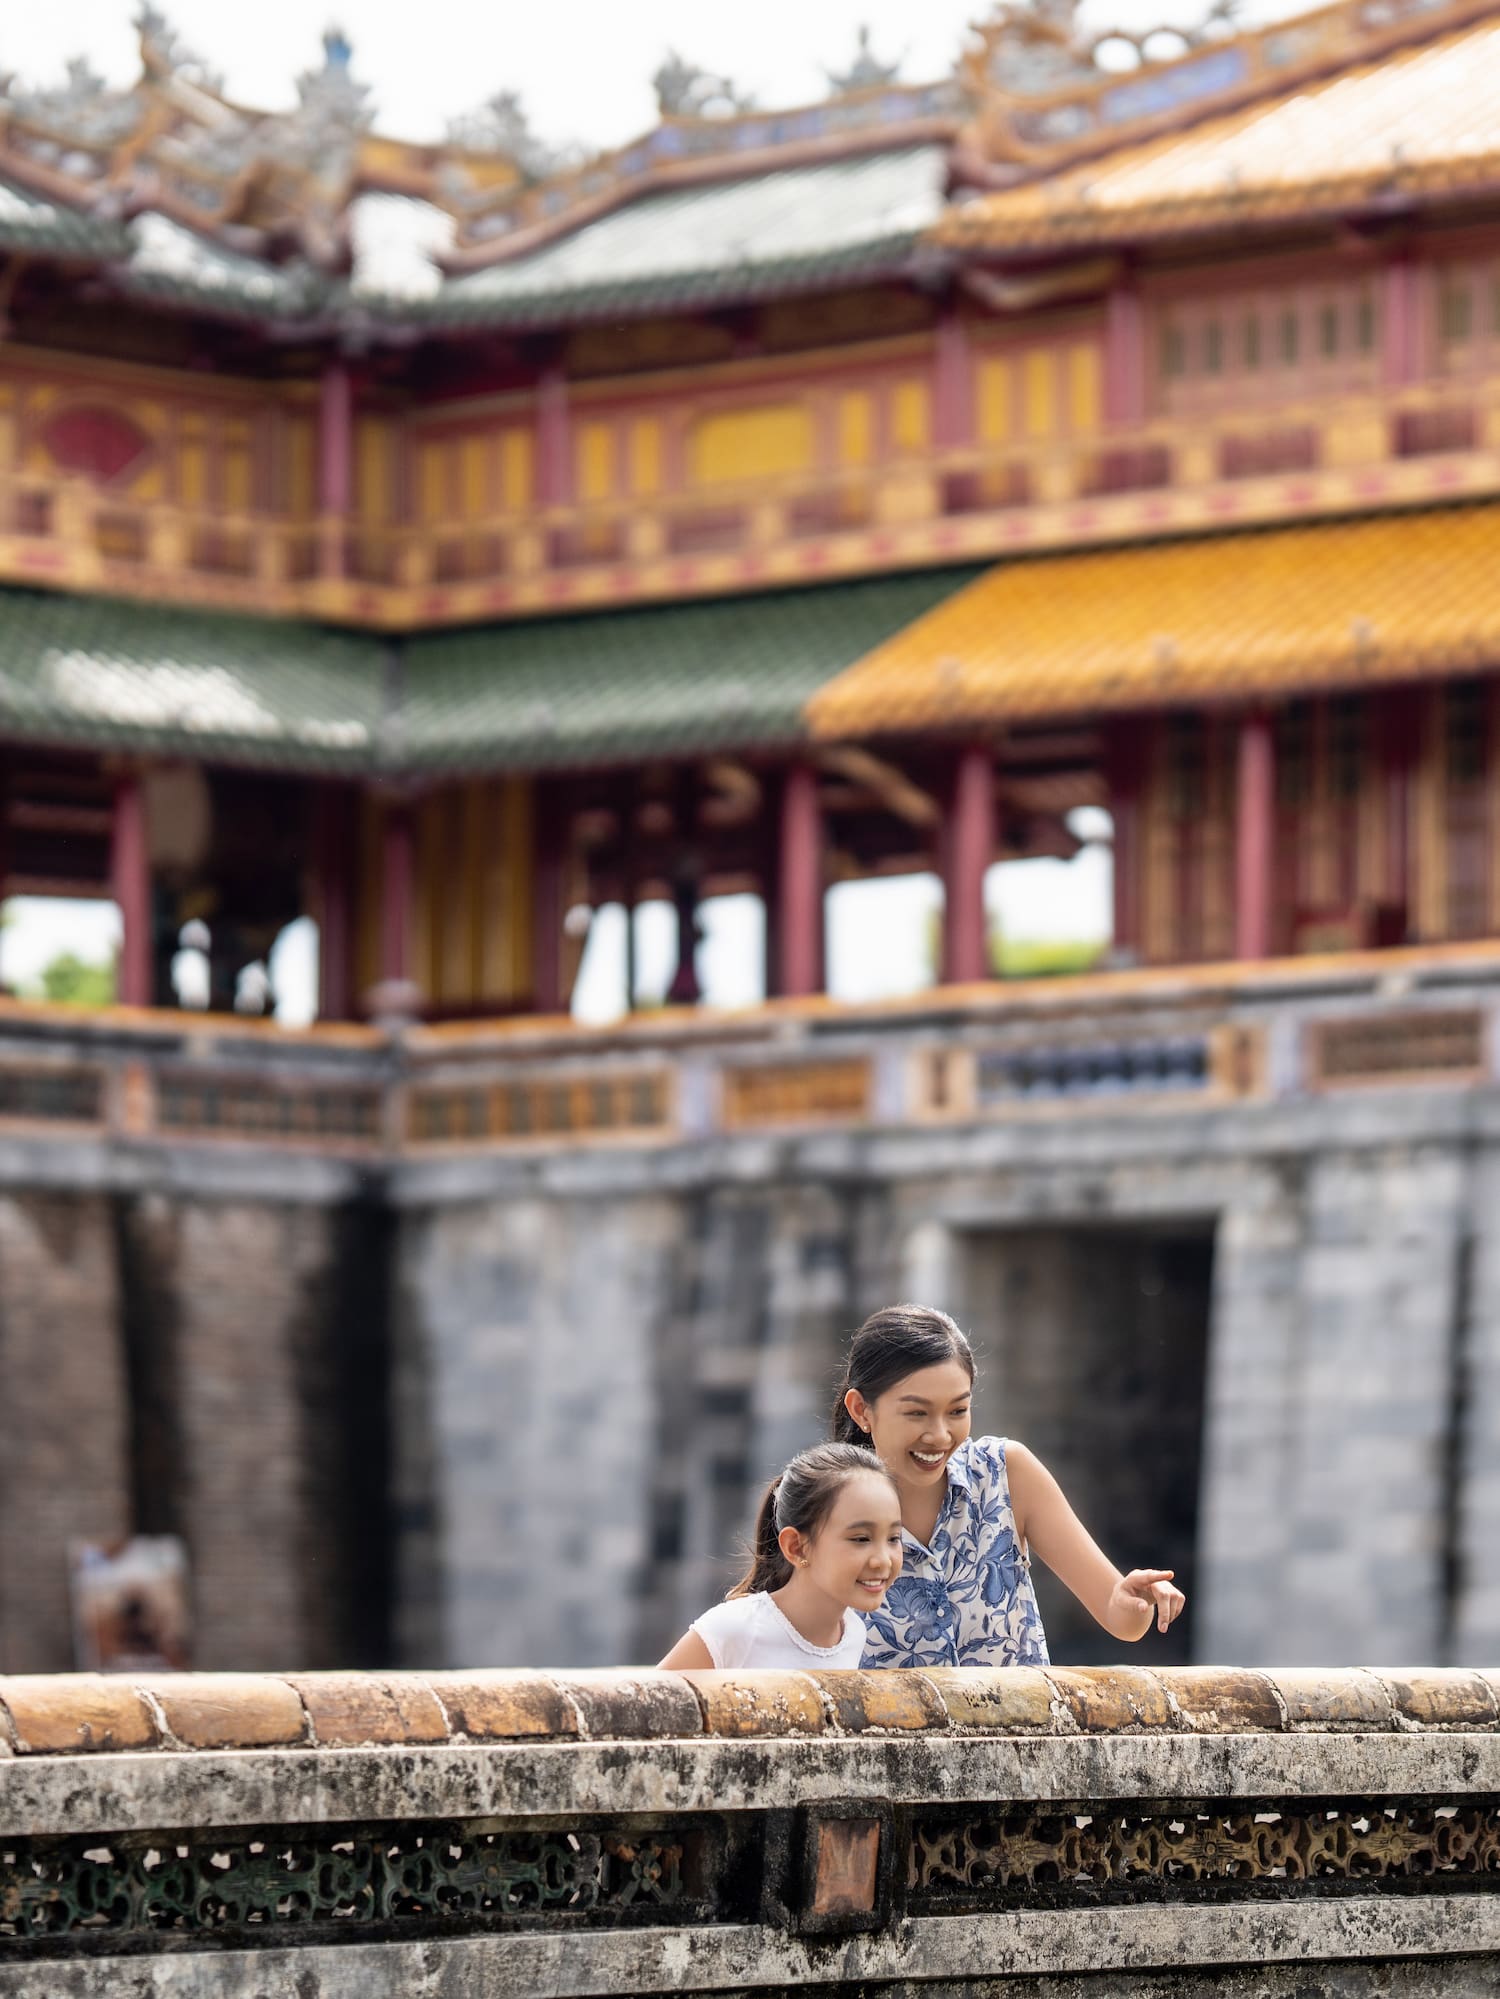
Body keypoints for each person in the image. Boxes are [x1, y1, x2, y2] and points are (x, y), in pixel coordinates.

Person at [832, 1303, 1185, 1667]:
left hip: (1026, 1723)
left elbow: (1118, 1616)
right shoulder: (829, 1506)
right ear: (861, 1410)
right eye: (917, 1413)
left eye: (957, 1411)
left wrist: (1136, 1603)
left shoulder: (1006, 1473)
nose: (939, 1435)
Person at [659, 1442, 903, 1669]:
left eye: (893, 1538)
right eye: (861, 1539)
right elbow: (643, 1707)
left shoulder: (855, 1634)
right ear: (796, 1547)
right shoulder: (735, 1629)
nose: (882, 1560)